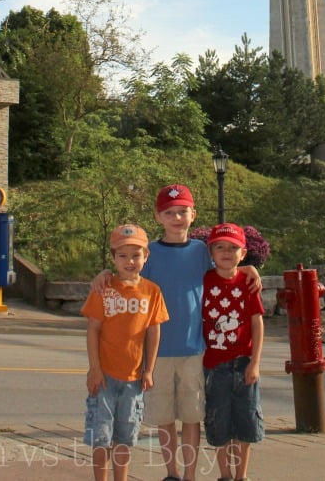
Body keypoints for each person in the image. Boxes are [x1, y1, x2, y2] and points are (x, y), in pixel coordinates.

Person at [92, 184, 261, 481]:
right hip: (157, 353)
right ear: (159, 217)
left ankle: (190, 475)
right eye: (170, 213)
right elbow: (126, 271)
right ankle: (171, 473)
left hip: (194, 350)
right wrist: (105, 273)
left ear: (193, 214)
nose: (177, 218)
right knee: (165, 418)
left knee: (193, 417)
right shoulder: (150, 253)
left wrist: (250, 269)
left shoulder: (200, 252)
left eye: (182, 212)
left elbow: (227, 264)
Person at [81, 223, 168, 481]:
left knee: (124, 437)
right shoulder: (103, 289)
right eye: (123, 255)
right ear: (113, 257)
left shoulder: (152, 292)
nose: (130, 261)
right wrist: (95, 369)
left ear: (146, 256)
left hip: (134, 381)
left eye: (136, 255)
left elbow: (154, 331)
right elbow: (93, 330)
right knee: (101, 437)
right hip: (105, 378)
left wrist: (149, 370)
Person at [202, 223, 265, 481]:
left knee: (245, 422)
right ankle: (225, 475)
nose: (226, 253)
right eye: (220, 247)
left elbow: (257, 323)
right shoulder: (204, 281)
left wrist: (255, 363)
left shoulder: (247, 283)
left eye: (233, 248)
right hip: (214, 365)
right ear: (211, 252)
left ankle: (241, 476)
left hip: (243, 363)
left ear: (243, 253)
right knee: (219, 423)